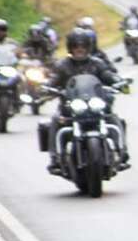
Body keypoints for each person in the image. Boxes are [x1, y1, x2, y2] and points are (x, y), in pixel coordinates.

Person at [46, 28, 130, 174]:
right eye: (76, 46)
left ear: (88, 47)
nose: (79, 49)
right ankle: (55, 158)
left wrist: (119, 82)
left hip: (95, 106)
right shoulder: (63, 65)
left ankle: (121, 152)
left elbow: (107, 75)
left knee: (114, 118)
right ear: (70, 47)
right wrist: (48, 87)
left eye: (83, 46)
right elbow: (53, 80)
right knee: (55, 120)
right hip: (71, 107)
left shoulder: (96, 63)